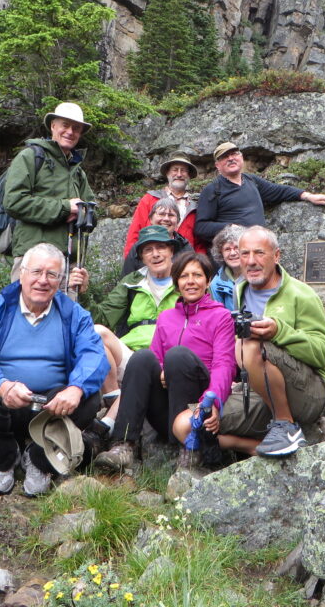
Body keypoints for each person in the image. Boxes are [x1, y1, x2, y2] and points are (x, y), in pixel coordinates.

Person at [0, 243, 109, 496]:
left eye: (52, 274)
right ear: (22, 273)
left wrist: (76, 388)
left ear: (61, 281)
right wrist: (1, 386)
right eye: (36, 272)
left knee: (89, 398)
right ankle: (4, 455)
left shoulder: (73, 314)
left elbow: (94, 356)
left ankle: (39, 457)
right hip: (5, 402)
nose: (42, 281)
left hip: (51, 406)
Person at [93, 252, 236, 473]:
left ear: (208, 281)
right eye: (184, 276)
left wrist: (213, 402)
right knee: (142, 358)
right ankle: (124, 445)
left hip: (197, 409)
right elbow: (156, 358)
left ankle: (191, 452)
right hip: (166, 409)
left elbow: (224, 365)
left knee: (177, 356)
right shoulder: (167, 318)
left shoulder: (221, 317)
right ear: (176, 282)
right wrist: (162, 370)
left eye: (197, 275)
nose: (190, 281)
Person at [217, 226, 325, 458]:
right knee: (192, 423)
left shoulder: (301, 294)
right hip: (259, 392)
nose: (251, 261)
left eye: (259, 253)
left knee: (251, 345)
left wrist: (280, 333)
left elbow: (324, 353)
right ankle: (257, 448)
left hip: (310, 393)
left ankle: (285, 426)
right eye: (244, 254)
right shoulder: (239, 290)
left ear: (277, 256)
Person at [88, 226, 184, 436]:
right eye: (148, 250)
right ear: (141, 256)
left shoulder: (186, 280)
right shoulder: (132, 282)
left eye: (161, 247)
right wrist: (84, 293)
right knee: (96, 332)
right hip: (131, 354)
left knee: (144, 363)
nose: (156, 254)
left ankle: (108, 421)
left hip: (168, 357)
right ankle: (113, 395)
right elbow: (102, 318)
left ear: (171, 251)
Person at [4, 102, 95, 283]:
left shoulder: (77, 171)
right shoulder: (30, 157)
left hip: (68, 263)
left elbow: (92, 212)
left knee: (65, 312)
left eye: (76, 128)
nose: (70, 132)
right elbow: (13, 202)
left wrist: (81, 213)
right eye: (65, 125)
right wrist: (64, 208)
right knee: (27, 310)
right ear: (53, 126)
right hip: (33, 259)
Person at [194, 142, 325, 247]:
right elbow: (201, 228)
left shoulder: (252, 181)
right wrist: (230, 228)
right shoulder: (212, 190)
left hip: (259, 247)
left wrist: (307, 196)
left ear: (241, 158)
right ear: (217, 165)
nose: (231, 158)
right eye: (225, 157)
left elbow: (279, 191)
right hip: (232, 252)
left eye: (234, 154)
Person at [123, 150, 204, 256]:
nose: (179, 174)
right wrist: (132, 263)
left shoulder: (195, 208)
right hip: (152, 260)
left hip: (184, 265)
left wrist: (199, 265)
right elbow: (134, 233)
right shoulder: (149, 199)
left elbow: (199, 244)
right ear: (167, 173)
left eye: (183, 170)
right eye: (175, 170)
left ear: (189, 175)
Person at [120, 197, 192, 276]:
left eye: (171, 215)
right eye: (161, 214)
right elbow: (126, 280)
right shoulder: (140, 246)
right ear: (150, 219)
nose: (166, 219)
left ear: (178, 221)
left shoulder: (185, 247)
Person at [209, 224, 245, 311]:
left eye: (237, 248)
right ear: (221, 253)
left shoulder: (257, 275)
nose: (232, 253)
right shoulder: (217, 283)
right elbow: (217, 315)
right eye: (227, 249)